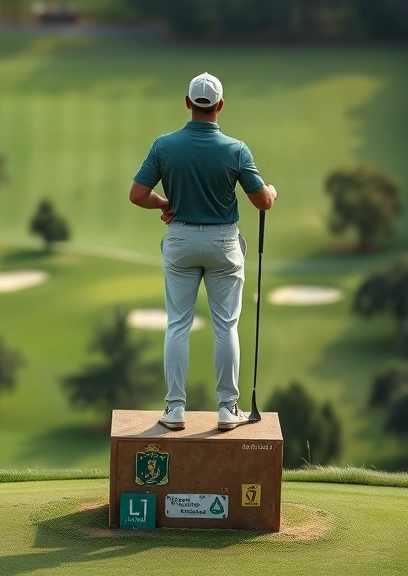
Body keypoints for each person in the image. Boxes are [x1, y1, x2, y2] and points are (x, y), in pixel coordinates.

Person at [129, 72, 278, 432]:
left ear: (187, 103)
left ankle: (175, 409)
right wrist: (271, 191)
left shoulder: (164, 146)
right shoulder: (236, 149)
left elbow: (137, 195)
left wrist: (165, 202)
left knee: (178, 323)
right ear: (220, 106)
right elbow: (262, 201)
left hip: (179, 240)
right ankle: (228, 409)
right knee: (225, 325)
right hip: (223, 243)